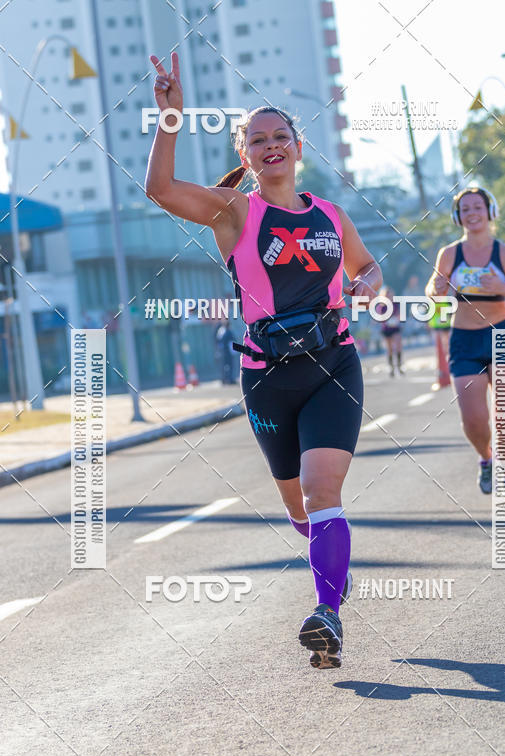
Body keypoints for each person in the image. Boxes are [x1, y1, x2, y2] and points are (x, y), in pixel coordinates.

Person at [146, 52, 382, 668]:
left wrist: (372, 282)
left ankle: (327, 613)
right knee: (301, 511)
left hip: (335, 365)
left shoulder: (330, 214)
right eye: (258, 140)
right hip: (267, 379)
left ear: (298, 147)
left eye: (281, 136)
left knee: (321, 488)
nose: (271, 146)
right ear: (244, 155)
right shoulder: (235, 212)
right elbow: (162, 190)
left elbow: (365, 266)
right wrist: (170, 119)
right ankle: (331, 568)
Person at [425, 187, 505, 493]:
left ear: (490, 212)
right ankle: (486, 459)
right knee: (474, 420)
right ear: (457, 216)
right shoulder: (449, 254)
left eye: (478, 207)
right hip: (464, 340)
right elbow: (434, 293)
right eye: (465, 209)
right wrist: (437, 289)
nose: (472, 213)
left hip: (503, 334)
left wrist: (504, 286)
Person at [379, 286, 403, 375]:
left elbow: (399, 314)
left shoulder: (395, 304)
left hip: (395, 328)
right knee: (389, 349)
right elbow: (381, 318)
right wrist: (387, 320)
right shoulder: (382, 306)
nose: (389, 296)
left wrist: (397, 318)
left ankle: (399, 366)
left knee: (398, 346)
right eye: (387, 295)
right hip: (387, 329)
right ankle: (391, 367)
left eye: (390, 295)